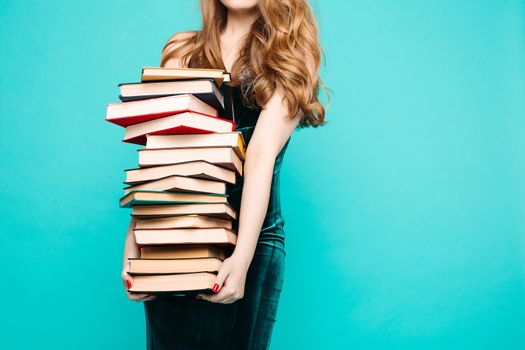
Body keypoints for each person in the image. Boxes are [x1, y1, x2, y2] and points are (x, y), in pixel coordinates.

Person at [120, 0, 327, 348]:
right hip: (178, 237)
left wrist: (241, 258)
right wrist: (138, 237)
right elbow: (163, 154)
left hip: (252, 240)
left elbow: (259, 157)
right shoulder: (181, 51)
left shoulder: (289, 58)